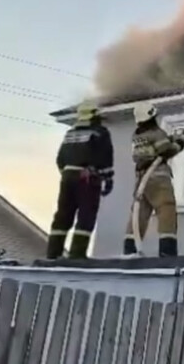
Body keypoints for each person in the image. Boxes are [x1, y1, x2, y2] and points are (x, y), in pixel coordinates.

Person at [123, 101, 184, 257]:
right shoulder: (157, 133)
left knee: (139, 213)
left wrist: (179, 135)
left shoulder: (138, 135)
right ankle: (167, 252)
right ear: (152, 116)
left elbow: (160, 143)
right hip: (158, 178)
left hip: (142, 180)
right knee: (166, 209)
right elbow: (167, 151)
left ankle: (130, 250)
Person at [48, 100, 115, 260]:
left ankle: (53, 253)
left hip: (67, 176)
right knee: (86, 214)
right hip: (86, 177)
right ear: (94, 115)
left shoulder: (70, 133)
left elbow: (60, 159)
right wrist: (108, 178)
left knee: (63, 215)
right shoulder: (100, 132)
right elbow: (105, 157)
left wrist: (67, 174)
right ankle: (77, 254)